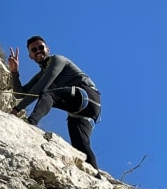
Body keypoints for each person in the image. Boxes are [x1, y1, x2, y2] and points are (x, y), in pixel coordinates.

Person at [8, 35, 102, 178]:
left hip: (87, 96)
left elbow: (42, 87)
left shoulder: (57, 60)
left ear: (48, 49)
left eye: (41, 47)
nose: (38, 51)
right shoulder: (41, 74)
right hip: (81, 112)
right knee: (81, 147)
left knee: (47, 94)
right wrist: (14, 72)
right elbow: (19, 94)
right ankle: (97, 178)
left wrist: (17, 109)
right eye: (34, 50)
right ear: (30, 56)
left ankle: (31, 124)